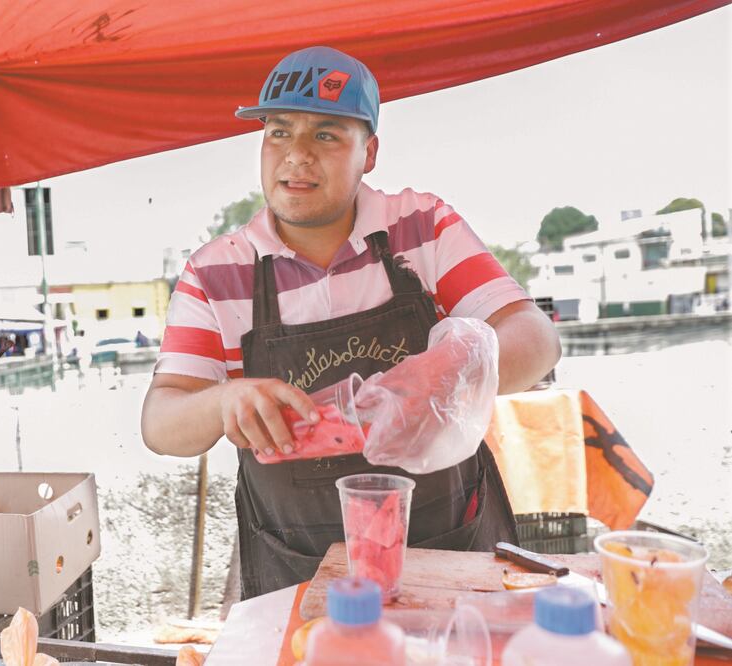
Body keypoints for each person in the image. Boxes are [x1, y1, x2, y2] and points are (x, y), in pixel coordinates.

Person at [140, 46, 561, 599]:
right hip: (299, 575)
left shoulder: (423, 227)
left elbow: (536, 337)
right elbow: (161, 421)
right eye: (279, 132)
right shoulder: (216, 274)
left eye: (326, 135)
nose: (295, 156)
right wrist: (224, 401)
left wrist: (452, 371)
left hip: (449, 556)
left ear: (370, 151)